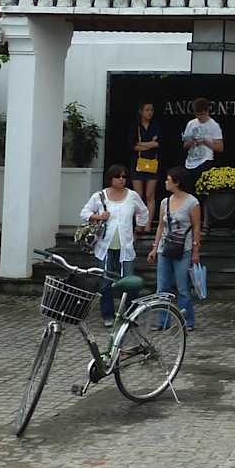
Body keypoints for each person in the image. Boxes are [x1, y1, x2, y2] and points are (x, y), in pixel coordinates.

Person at [78, 164, 150, 327]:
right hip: (104, 246)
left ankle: (131, 314)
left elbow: (143, 212)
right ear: (110, 178)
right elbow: (84, 213)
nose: (121, 180)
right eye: (118, 177)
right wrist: (99, 217)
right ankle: (108, 314)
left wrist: (139, 229)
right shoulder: (100, 196)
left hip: (126, 246)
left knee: (130, 281)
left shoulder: (132, 196)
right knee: (105, 282)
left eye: (124, 177)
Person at [149, 165, 202, 331]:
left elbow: (196, 227)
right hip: (165, 247)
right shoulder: (165, 202)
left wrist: (195, 250)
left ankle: (187, 321)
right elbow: (160, 226)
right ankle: (163, 321)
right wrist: (154, 247)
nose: (165, 182)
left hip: (183, 248)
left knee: (182, 287)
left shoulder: (192, 202)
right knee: (162, 286)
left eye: (168, 180)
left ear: (177, 182)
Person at [181, 97, 224, 197]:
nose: (199, 117)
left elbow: (220, 148)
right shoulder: (191, 124)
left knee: (202, 195)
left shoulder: (214, 125)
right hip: (190, 163)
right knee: (189, 194)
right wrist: (192, 141)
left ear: (207, 111)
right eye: (196, 114)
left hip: (205, 162)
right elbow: (185, 146)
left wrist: (205, 141)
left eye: (201, 114)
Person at [129, 100, 161, 231]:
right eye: (147, 110)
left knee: (150, 195)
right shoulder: (134, 126)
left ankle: (148, 225)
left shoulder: (156, 126)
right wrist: (150, 144)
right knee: (138, 195)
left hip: (152, 163)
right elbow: (133, 145)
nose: (150, 113)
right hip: (137, 163)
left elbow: (158, 144)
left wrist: (142, 144)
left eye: (151, 110)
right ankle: (139, 224)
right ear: (141, 111)